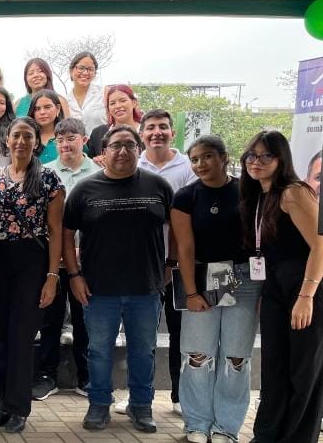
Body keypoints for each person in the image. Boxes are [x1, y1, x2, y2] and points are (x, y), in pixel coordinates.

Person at [63, 126, 173, 433]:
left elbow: (178, 226)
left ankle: (141, 406)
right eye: (115, 145)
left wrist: (172, 263)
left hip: (145, 287)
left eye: (129, 145)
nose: (123, 151)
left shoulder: (158, 185)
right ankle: (99, 405)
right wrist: (74, 275)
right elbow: (66, 234)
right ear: (104, 151)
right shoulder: (85, 189)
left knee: (143, 351)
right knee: (99, 351)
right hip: (99, 289)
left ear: (139, 149)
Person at [243, 131, 323, 443]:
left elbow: (321, 247)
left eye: (266, 156)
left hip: (307, 289)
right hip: (277, 289)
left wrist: (306, 296)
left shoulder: (293, 192)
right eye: (252, 155)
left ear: (281, 159)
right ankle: (266, 436)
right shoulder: (260, 196)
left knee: (304, 375)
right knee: (275, 371)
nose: (256, 162)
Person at [171, 135, 258, 443]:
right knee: (198, 354)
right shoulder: (185, 197)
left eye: (207, 156)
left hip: (244, 278)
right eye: (194, 159)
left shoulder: (249, 191)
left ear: (224, 157)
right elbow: (185, 248)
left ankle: (227, 427)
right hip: (202, 277)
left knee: (236, 357)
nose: (200, 164)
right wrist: (192, 293)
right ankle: (196, 423)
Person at [0, 117, 64, 433]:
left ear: (36, 141)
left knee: (21, 336)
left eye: (28, 136)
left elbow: (55, 231)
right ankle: (3, 404)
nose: (21, 142)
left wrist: (52, 276)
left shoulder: (49, 179)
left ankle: (19, 408)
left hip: (32, 259)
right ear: (7, 140)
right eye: (16, 135)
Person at [112, 108, 195, 417]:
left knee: (180, 333)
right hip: (139, 267)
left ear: (173, 132)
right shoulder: (132, 164)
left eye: (162, 127)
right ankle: (136, 396)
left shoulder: (187, 167)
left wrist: (172, 263)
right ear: (141, 134)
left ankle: (180, 396)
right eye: (150, 128)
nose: (156, 132)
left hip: (178, 266)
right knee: (138, 337)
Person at [34, 118, 97, 401]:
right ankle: (47, 376)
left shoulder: (97, 173)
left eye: (71, 138)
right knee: (50, 320)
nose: (65, 144)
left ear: (84, 140)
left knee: (85, 320)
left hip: (87, 260)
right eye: (60, 140)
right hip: (52, 261)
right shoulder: (44, 172)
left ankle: (86, 376)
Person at [88, 84, 142, 162]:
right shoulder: (98, 133)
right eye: (112, 103)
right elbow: (90, 161)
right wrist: (95, 160)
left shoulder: (147, 131)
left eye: (123, 101)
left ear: (134, 103)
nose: (118, 106)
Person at [66, 52, 106, 133]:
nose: (85, 73)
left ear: (95, 73)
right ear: (71, 71)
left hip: (104, 140)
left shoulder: (104, 93)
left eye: (90, 69)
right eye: (81, 68)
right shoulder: (65, 101)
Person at [29, 90, 66, 164]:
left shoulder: (70, 136)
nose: (42, 112)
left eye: (47, 107)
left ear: (58, 108)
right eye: (37, 109)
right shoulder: (27, 138)